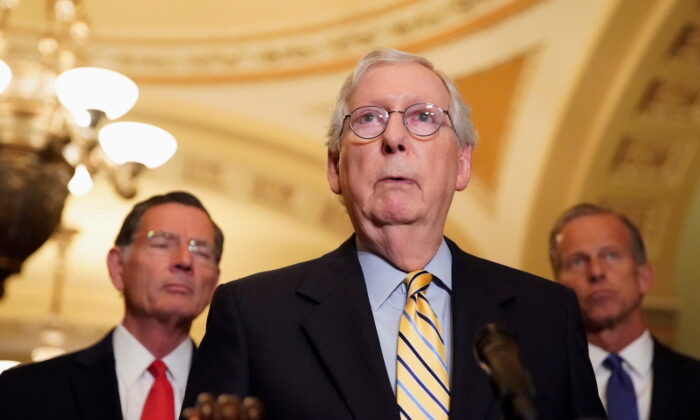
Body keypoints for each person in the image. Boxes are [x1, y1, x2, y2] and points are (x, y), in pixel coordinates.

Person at [184, 48, 604, 420]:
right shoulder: (253, 316)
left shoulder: (549, 314)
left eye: (424, 117)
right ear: (335, 167)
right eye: (369, 118)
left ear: (461, 164)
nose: (395, 138)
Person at [0, 191, 223, 420]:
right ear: (118, 267)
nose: (184, 261)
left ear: (214, 283)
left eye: (201, 250)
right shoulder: (24, 391)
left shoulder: (238, 396)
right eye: (162, 243)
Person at [549, 202, 700, 420]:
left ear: (644, 277)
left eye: (611, 256)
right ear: (558, 289)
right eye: (577, 261)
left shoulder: (694, 382)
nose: (596, 272)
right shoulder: (536, 388)